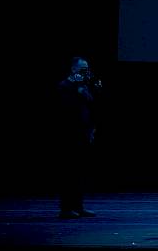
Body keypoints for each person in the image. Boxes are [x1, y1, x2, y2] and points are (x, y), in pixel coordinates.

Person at [56, 56, 101, 219]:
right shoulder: (64, 86)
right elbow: (66, 109)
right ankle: (66, 208)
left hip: (83, 133)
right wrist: (78, 89)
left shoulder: (83, 86)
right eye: (82, 69)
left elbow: (91, 103)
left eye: (86, 69)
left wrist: (91, 128)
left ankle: (78, 206)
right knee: (69, 172)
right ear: (73, 69)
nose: (85, 72)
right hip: (69, 135)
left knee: (81, 172)